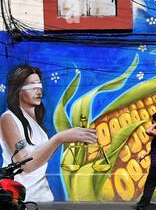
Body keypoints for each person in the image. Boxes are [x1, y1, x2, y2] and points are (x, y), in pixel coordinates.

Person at [0, 65, 98, 202]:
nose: (38, 91)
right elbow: (24, 164)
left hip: (42, 196)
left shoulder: (35, 121)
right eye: (32, 86)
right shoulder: (8, 119)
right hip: (22, 197)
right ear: (18, 90)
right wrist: (60, 138)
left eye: (39, 85)